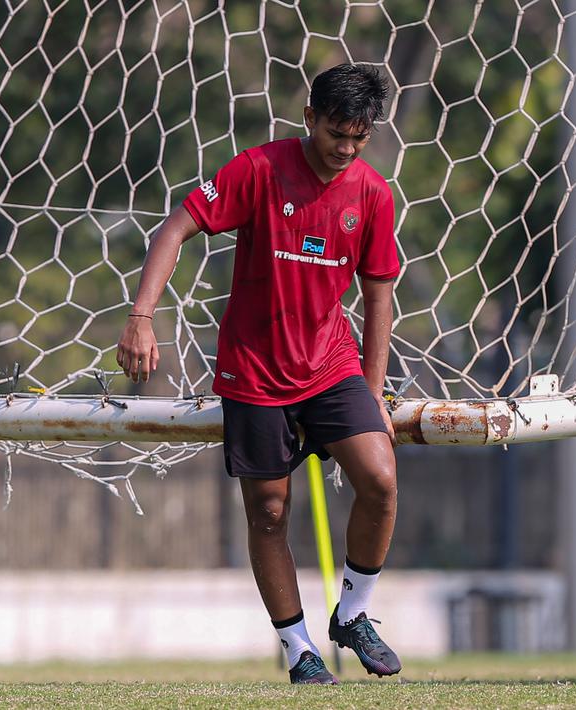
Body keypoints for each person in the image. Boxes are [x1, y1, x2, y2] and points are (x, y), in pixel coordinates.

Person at [116, 64, 403, 685]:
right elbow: (176, 226)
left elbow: (379, 294)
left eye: (358, 137)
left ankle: (353, 615)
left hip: (332, 367)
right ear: (309, 117)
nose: (345, 149)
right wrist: (141, 316)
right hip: (253, 371)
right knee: (269, 512)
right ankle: (299, 649)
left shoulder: (373, 194)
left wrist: (374, 392)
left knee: (380, 479)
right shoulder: (259, 170)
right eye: (335, 132)